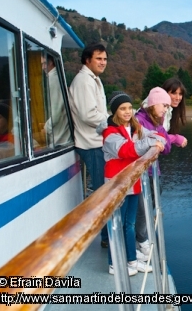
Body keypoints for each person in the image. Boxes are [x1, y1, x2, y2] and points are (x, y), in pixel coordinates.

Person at [99, 91, 165, 276]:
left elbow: (156, 135)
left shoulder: (134, 127)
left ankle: (131, 261)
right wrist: (151, 145)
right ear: (114, 112)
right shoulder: (110, 134)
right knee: (117, 225)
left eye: (129, 107)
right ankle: (114, 264)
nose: (128, 112)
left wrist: (157, 141)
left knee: (129, 224)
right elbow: (126, 150)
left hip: (132, 182)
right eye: (122, 108)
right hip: (117, 183)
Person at [68, 44, 110, 247]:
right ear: (87, 60)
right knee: (103, 191)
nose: (103, 62)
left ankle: (106, 235)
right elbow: (88, 114)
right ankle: (106, 238)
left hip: (97, 142)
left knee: (103, 189)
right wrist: (112, 123)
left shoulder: (94, 80)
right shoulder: (84, 80)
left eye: (105, 59)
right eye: (99, 58)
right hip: (91, 144)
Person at [134, 87, 176, 257]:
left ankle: (142, 236)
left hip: (153, 172)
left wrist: (161, 141)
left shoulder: (157, 121)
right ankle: (141, 240)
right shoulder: (139, 121)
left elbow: (166, 148)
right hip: (142, 173)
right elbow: (140, 146)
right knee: (142, 208)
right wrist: (158, 141)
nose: (166, 109)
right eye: (164, 105)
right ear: (154, 104)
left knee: (151, 202)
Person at [42, 54, 71, 146]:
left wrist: (46, 128)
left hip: (59, 138)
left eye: (44, 64)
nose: (43, 67)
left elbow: (56, 111)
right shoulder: (59, 77)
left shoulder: (53, 79)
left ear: (51, 63)